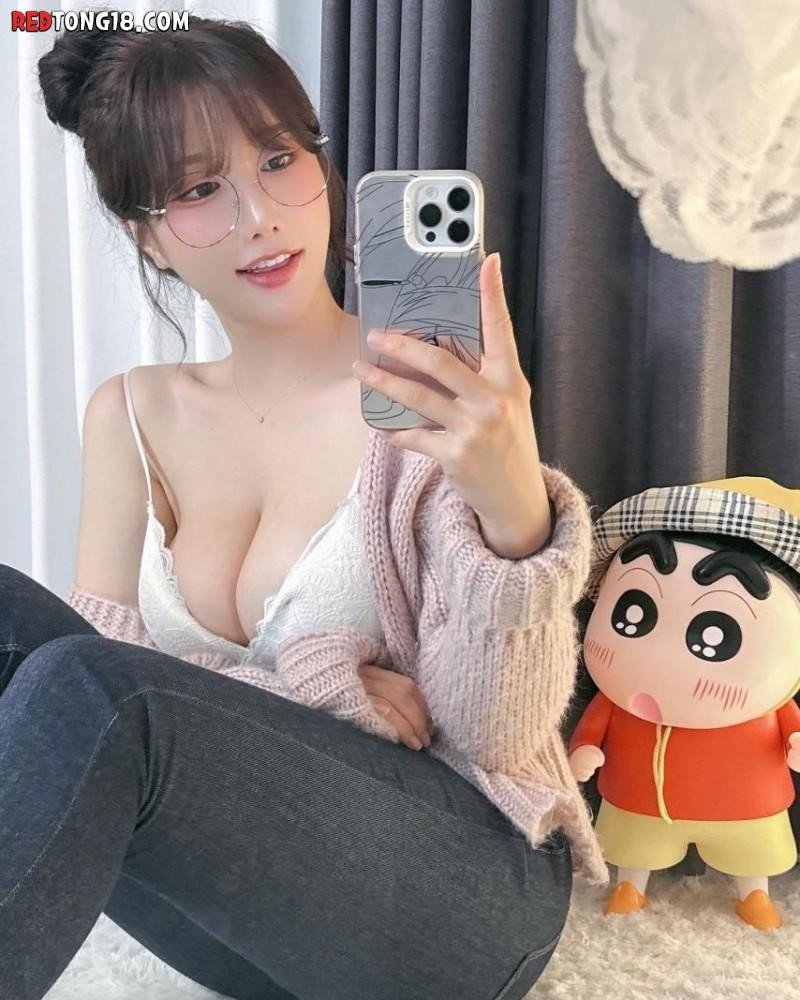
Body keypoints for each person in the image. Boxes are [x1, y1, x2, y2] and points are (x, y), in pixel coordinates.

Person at [0, 15, 605, 1000]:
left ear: (323, 167)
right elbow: (113, 690)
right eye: (200, 189)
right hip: (252, 920)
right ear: (145, 234)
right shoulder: (131, 416)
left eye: (279, 159)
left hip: (464, 902)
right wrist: (318, 682)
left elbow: (491, 739)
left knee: (100, 691)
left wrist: (511, 522)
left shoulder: (428, 392)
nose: (259, 215)